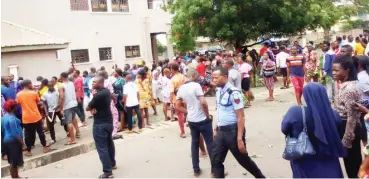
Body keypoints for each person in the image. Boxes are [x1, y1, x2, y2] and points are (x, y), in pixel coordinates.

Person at [281, 82, 345, 178]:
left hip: (303, 157)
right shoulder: (334, 115)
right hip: (329, 160)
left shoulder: (296, 112)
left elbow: (284, 129)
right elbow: (339, 135)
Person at [211, 67, 265, 178]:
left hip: (233, 132)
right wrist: (217, 127)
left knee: (243, 160)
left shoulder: (234, 92)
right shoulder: (218, 91)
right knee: (216, 160)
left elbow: (241, 116)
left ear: (225, 77)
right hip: (221, 131)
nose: (214, 80)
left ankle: (260, 177)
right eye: (213, 78)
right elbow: (221, 110)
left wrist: (239, 138)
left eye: (216, 77)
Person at [175, 69, 213, 177]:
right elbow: (203, 102)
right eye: (197, 76)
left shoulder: (181, 88)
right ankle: (215, 169)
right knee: (210, 142)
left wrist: (188, 112)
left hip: (191, 120)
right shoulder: (196, 86)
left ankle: (196, 170)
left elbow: (177, 106)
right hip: (202, 119)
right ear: (194, 75)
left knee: (194, 144)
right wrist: (207, 115)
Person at [332, 55, 363, 178]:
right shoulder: (345, 85)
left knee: (352, 163)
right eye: (333, 70)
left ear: (347, 71)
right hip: (346, 126)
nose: (334, 73)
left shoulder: (349, 89)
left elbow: (351, 117)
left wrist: (347, 139)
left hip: (348, 128)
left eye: (337, 70)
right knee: (352, 161)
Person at [86, 76, 116, 178]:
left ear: (101, 83)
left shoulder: (98, 95)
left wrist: (92, 107)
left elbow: (88, 107)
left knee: (102, 148)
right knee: (109, 144)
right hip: (108, 122)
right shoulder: (106, 91)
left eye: (94, 82)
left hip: (100, 124)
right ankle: (112, 163)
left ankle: (108, 172)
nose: (93, 84)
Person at [16, 79, 51, 156]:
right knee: (40, 132)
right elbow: (39, 102)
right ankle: (45, 147)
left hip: (26, 117)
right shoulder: (34, 93)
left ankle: (29, 151)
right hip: (36, 116)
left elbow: (17, 103)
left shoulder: (18, 95)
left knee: (27, 134)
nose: (32, 85)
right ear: (28, 84)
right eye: (31, 84)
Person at [94, 71, 122, 140]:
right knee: (114, 115)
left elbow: (94, 93)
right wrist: (115, 99)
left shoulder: (95, 83)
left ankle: (105, 133)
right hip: (108, 102)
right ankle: (114, 133)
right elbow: (111, 93)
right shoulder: (107, 82)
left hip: (99, 103)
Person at [1, 99, 25, 178]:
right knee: (14, 161)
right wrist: (23, 144)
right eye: (15, 105)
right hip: (13, 141)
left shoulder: (4, 117)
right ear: (12, 107)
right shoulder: (12, 119)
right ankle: (14, 177)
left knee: (13, 160)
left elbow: (3, 131)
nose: (17, 107)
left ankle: (16, 176)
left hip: (7, 140)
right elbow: (15, 133)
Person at [59, 72, 80, 145]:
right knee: (73, 118)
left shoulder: (61, 86)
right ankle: (77, 132)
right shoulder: (71, 83)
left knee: (69, 122)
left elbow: (61, 97)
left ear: (62, 77)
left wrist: (61, 108)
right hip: (74, 103)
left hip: (67, 105)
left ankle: (72, 139)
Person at [170, 64, 186, 138]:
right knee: (187, 112)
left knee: (179, 115)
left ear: (173, 69)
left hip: (177, 98)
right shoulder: (183, 76)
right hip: (185, 97)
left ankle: (183, 132)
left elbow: (171, 91)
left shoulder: (173, 79)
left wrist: (171, 102)